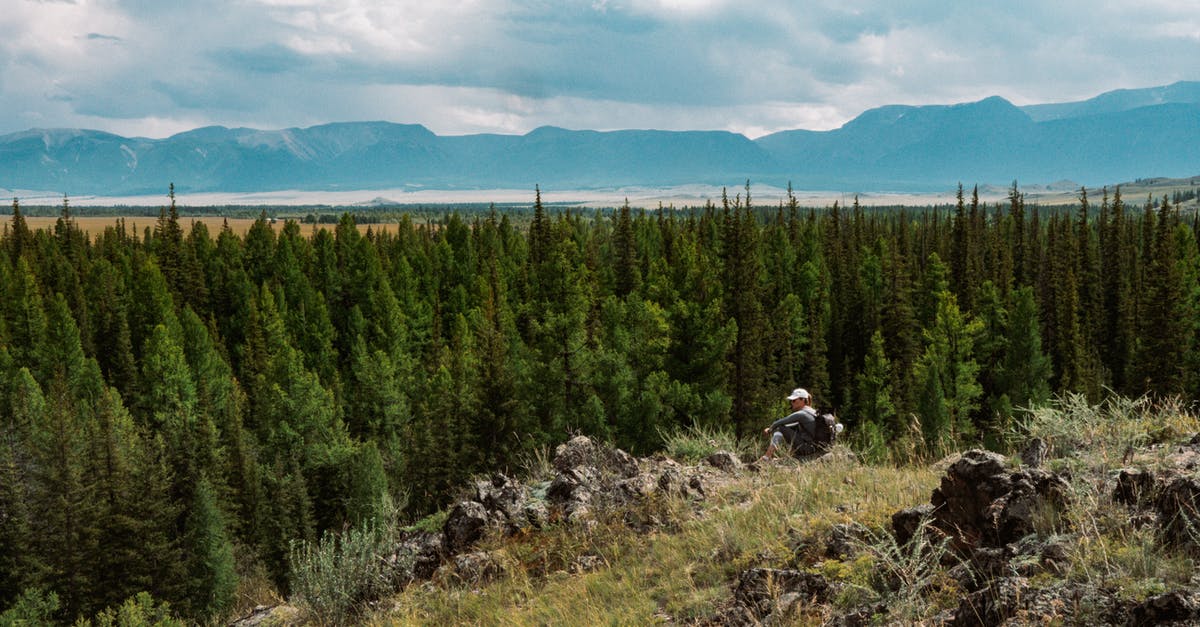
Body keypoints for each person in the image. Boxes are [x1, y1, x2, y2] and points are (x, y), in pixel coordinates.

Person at [759, 388, 817, 462]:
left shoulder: (801, 414)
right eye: (791, 401)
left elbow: (778, 423)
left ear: (803, 400)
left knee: (780, 428)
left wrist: (770, 430)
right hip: (814, 447)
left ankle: (767, 457)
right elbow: (793, 426)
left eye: (794, 400)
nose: (791, 403)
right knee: (790, 429)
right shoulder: (812, 411)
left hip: (807, 448)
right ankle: (788, 456)